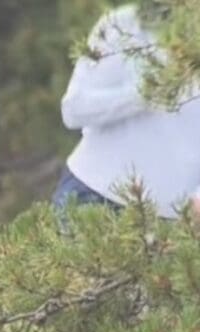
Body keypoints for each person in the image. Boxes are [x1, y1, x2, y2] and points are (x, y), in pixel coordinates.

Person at [52, 4, 200, 219]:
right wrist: (146, 92)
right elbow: (74, 110)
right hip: (93, 195)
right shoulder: (124, 24)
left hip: (176, 219)